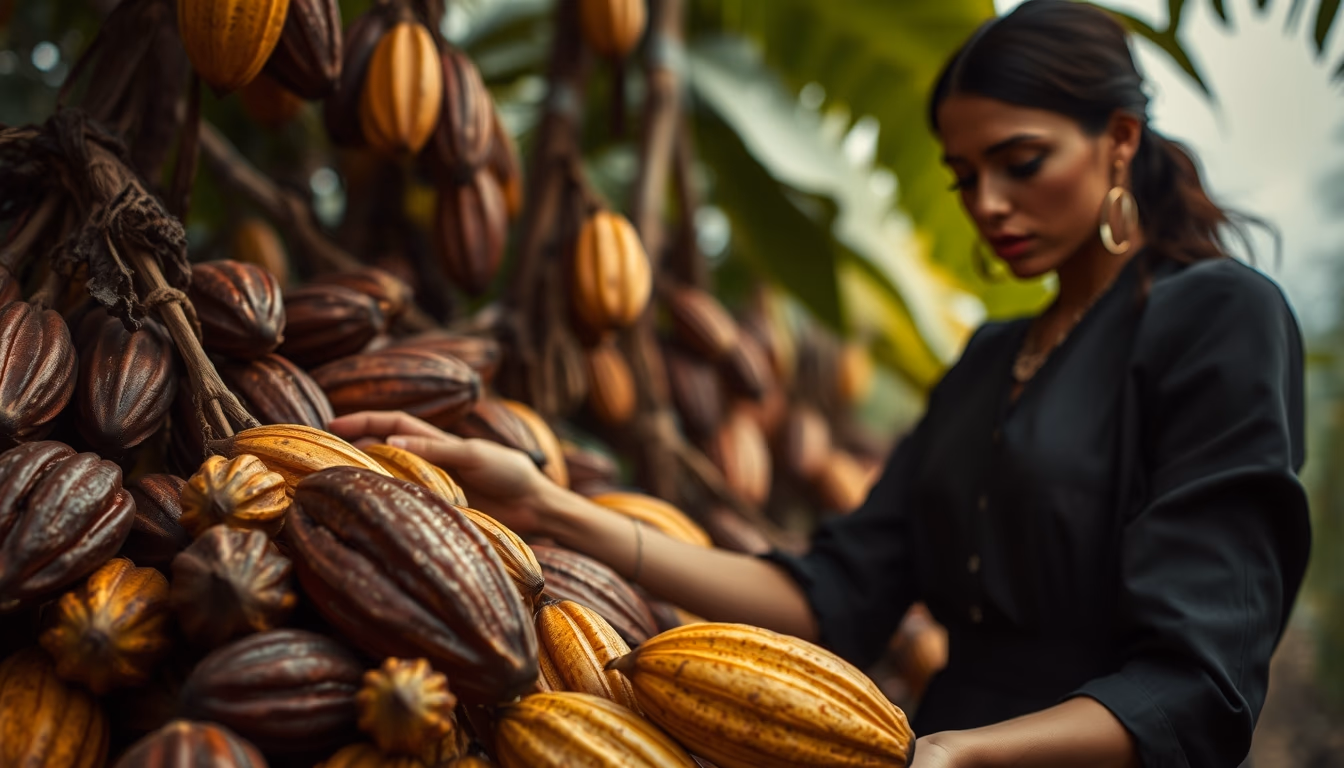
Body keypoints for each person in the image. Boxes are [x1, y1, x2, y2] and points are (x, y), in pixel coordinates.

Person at [330, 1, 1312, 765]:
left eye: (1020, 162)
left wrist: (971, 753)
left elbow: (1201, 681)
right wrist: (557, 510)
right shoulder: (989, 360)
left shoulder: (1216, 316)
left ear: (1121, 141)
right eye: (965, 177)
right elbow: (834, 593)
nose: (989, 206)